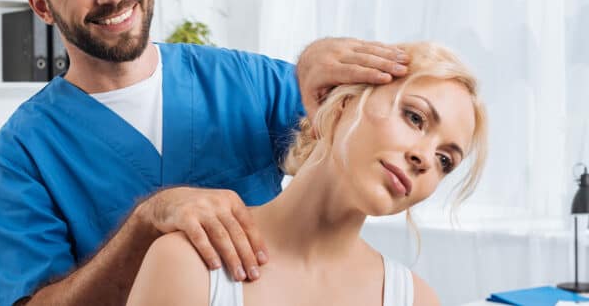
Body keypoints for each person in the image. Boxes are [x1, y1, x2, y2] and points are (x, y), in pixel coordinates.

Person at [0, 0, 412, 305]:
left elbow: (377, 133)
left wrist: (323, 70)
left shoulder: (249, 84)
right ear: (42, 5)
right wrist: (146, 222)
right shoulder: (21, 155)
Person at [126, 42, 488, 306]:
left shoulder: (416, 300)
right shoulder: (186, 265)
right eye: (414, 117)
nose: (425, 158)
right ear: (343, 104)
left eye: (445, 160)